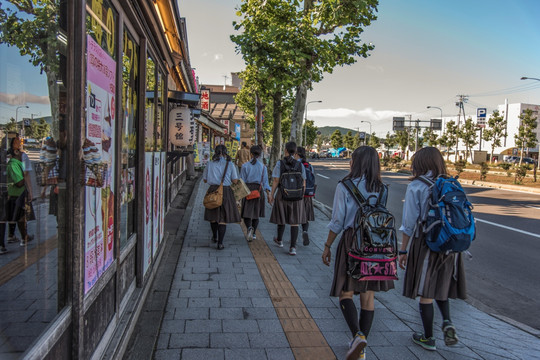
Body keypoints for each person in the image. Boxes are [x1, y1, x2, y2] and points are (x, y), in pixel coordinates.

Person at [322, 146, 395, 360]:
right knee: (368, 296)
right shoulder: (382, 188)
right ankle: (361, 348)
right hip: (377, 245)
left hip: (352, 242)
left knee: (346, 292)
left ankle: (357, 335)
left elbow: (337, 221)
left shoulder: (345, 185)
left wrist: (327, 246)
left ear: (356, 162)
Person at [398, 147, 465, 351]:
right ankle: (447, 321)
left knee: (425, 291)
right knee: (441, 286)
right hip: (450, 244)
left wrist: (403, 250)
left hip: (426, 242)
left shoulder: (417, 186)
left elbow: (409, 221)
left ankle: (428, 338)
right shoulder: (450, 183)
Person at [268, 141, 306, 256]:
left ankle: (279, 240)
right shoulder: (300, 165)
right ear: (295, 152)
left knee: (282, 217)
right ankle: (293, 247)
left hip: (283, 194)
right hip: (296, 196)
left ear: (285, 150)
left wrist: (271, 194)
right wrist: (301, 195)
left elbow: (275, 180)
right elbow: (303, 182)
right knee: (295, 222)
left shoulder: (280, 164)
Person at [203, 144, 241, 250]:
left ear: (215, 152)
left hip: (213, 190)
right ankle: (220, 243)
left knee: (213, 216)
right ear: (225, 153)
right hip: (226, 191)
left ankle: (214, 236)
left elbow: (205, 180)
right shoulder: (230, 164)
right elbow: (235, 180)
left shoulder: (209, 164)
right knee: (223, 218)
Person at [5, 139, 33, 247]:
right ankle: (23, 237)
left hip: (14, 193)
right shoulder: (14, 163)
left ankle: (15, 235)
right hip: (18, 193)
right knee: (21, 216)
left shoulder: (13, 162)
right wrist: (29, 189)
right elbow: (20, 182)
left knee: (15, 215)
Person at [240, 145, 270, 241]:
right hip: (258, 191)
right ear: (260, 154)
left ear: (251, 154)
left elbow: (242, 180)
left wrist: (239, 195)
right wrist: (269, 194)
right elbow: (265, 182)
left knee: (246, 212)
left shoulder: (245, 166)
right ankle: (253, 234)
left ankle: (249, 227)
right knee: (256, 213)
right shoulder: (263, 167)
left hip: (247, 189)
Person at [294, 146, 314, 246]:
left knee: (297, 217)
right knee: (305, 216)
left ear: (297, 154)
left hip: (298, 194)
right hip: (308, 195)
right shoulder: (309, 165)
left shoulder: (296, 165)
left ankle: (295, 239)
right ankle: (305, 231)